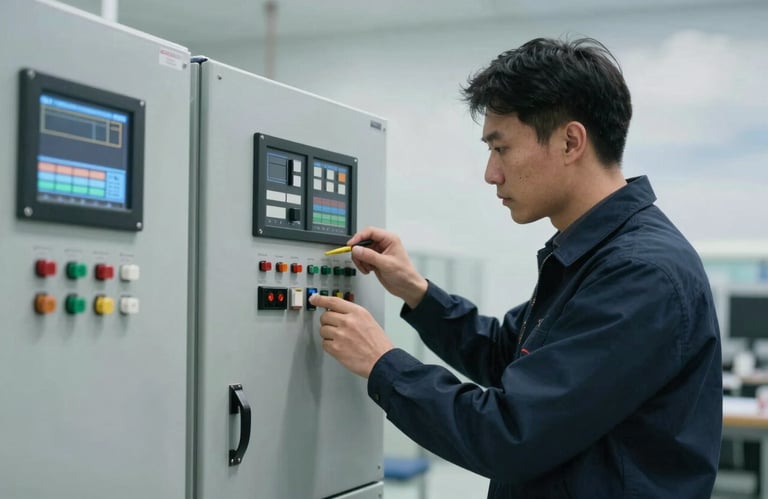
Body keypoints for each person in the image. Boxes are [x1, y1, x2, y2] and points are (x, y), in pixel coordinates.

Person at [308, 37, 722, 498]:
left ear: (570, 141)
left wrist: (383, 363)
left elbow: (509, 434)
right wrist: (417, 292)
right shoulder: (594, 256)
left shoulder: (640, 273)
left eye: (500, 148)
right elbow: (508, 355)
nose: (491, 173)